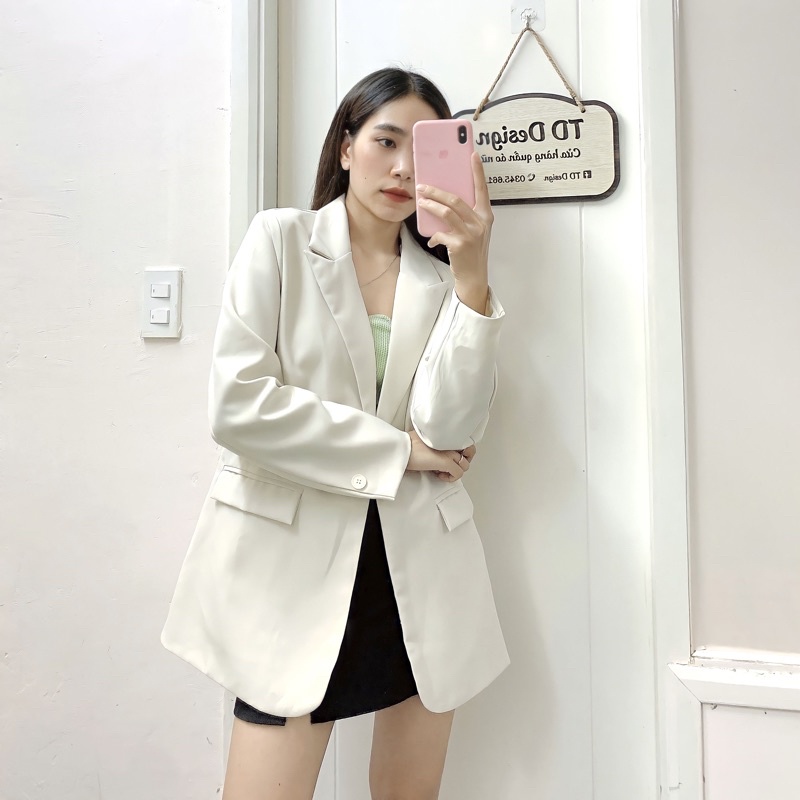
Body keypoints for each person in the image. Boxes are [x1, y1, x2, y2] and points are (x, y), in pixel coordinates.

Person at [161, 67, 509, 800]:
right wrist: (401, 450)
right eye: (385, 141)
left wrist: (473, 274)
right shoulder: (281, 240)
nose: (405, 168)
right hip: (294, 567)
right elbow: (241, 406)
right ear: (346, 148)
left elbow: (451, 429)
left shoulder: (441, 282)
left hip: (417, 567)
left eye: (422, 149)